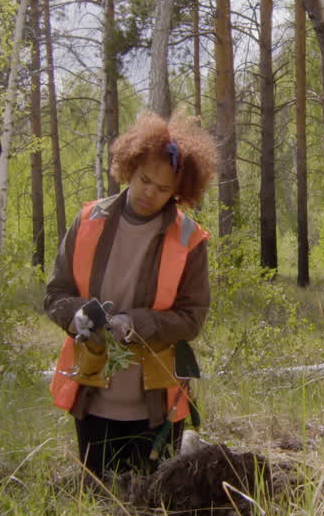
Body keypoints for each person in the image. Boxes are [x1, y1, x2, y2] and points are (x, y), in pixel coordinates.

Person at [45, 111, 216, 482]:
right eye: (144, 180)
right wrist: (75, 316)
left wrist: (135, 323)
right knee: (99, 496)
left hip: (159, 403)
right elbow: (56, 294)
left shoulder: (190, 239)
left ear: (180, 192)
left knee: (154, 503)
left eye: (163, 188)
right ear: (130, 166)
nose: (149, 193)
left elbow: (192, 318)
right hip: (91, 397)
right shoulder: (88, 220)